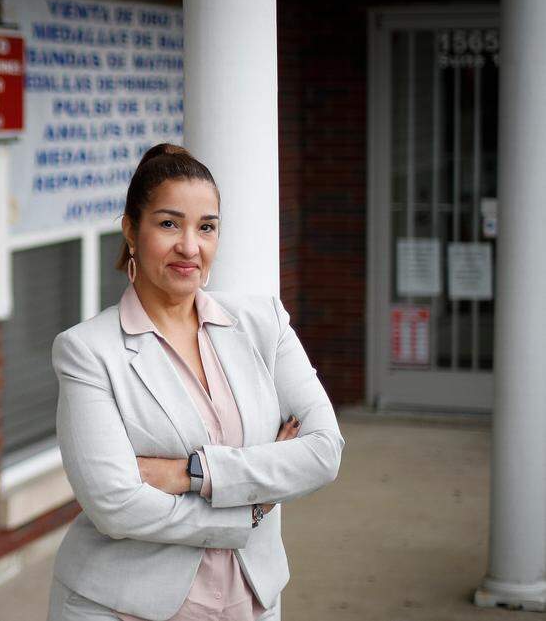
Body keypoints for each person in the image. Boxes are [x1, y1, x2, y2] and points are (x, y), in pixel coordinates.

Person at [46, 143, 345, 621]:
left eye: (206, 227)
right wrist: (251, 503)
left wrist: (192, 475)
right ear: (130, 229)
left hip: (249, 600)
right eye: (169, 224)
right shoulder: (87, 351)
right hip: (123, 607)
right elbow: (115, 505)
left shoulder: (263, 323)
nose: (190, 246)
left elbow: (324, 450)